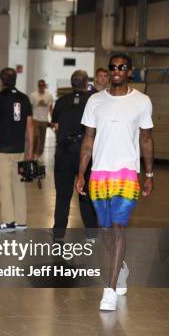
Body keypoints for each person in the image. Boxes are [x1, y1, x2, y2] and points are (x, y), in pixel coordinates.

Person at [76, 53, 154, 311]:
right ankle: (120, 266)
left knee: (118, 227)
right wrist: (81, 173)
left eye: (122, 67)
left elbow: (145, 140)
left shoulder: (142, 101)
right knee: (104, 230)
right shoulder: (95, 101)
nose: (116, 70)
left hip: (127, 173)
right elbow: (88, 140)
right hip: (99, 173)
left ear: (129, 71)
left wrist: (149, 174)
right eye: (113, 67)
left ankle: (109, 290)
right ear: (108, 72)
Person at [0, 68, 34, 232]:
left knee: (5, 187)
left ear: (1, 81)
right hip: (19, 150)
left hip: (2, 151)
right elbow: (30, 125)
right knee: (19, 185)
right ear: (15, 79)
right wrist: (30, 149)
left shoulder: (0, 98)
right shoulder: (24, 98)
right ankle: (21, 222)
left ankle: (9, 222)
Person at [50, 70, 98, 244]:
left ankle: (58, 234)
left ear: (72, 84)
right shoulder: (93, 102)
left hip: (63, 152)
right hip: (84, 152)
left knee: (62, 195)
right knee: (85, 193)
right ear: (87, 83)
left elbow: (55, 121)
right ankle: (92, 233)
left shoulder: (62, 101)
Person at [29, 79, 53, 158]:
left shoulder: (49, 95)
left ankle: (39, 153)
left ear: (45, 86)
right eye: (40, 85)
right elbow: (30, 107)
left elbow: (50, 108)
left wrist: (53, 119)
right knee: (36, 135)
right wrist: (30, 119)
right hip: (35, 118)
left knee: (42, 138)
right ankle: (34, 151)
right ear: (38, 86)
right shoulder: (33, 95)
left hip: (44, 120)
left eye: (43, 85)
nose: (41, 87)